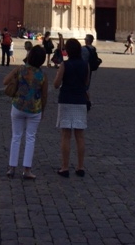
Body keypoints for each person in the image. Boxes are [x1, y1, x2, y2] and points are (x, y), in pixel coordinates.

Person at [3, 45, 48, 180]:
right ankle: (27, 170)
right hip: (34, 109)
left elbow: (5, 81)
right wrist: (42, 111)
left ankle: (12, 168)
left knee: (16, 136)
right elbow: (44, 96)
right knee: (30, 138)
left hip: (18, 107)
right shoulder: (42, 75)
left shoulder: (20, 69)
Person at [54, 38, 89, 177]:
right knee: (80, 136)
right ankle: (80, 167)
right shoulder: (85, 65)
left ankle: (65, 167)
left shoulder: (65, 64)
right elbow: (86, 83)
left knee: (66, 135)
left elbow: (56, 84)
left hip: (66, 100)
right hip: (80, 101)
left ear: (67, 51)